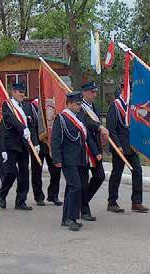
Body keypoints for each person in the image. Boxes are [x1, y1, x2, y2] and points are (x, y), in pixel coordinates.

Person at [107, 84, 149, 214]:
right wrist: (117, 145)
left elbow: (142, 119)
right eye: (128, 89)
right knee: (117, 173)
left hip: (131, 146)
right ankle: (112, 202)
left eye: (131, 90)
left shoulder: (132, 105)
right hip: (119, 146)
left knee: (137, 171)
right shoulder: (115, 105)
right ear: (123, 90)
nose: (131, 92)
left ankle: (136, 202)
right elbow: (111, 129)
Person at [52, 91, 88, 232]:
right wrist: (57, 159)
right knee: (76, 187)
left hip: (78, 158)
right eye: (77, 104)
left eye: (80, 104)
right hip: (67, 159)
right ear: (70, 104)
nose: (79, 107)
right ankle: (72, 219)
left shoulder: (79, 117)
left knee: (70, 188)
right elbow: (55, 140)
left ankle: (66, 218)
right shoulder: (61, 118)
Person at [0, 83, 35, 211]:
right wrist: (22, 128)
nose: (22, 94)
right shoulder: (7, 105)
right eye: (20, 92)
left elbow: (31, 124)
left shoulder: (27, 106)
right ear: (13, 92)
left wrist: (35, 143)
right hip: (11, 143)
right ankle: (2, 193)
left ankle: (21, 201)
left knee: (24, 173)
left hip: (24, 143)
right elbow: (10, 119)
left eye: (23, 92)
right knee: (11, 172)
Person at [79, 81, 108, 222]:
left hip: (95, 147)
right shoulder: (80, 107)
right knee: (83, 181)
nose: (95, 94)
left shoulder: (93, 107)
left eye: (95, 92)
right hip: (84, 148)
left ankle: (82, 202)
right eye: (92, 92)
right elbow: (86, 123)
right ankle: (84, 210)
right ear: (84, 92)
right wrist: (99, 127)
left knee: (100, 176)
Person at [31, 99, 63, 207]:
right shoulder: (34, 105)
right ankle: (39, 196)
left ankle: (53, 195)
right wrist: (35, 142)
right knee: (37, 171)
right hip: (39, 143)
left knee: (56, 170)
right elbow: (32, 126)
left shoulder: (53, 102)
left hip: (52, 142)